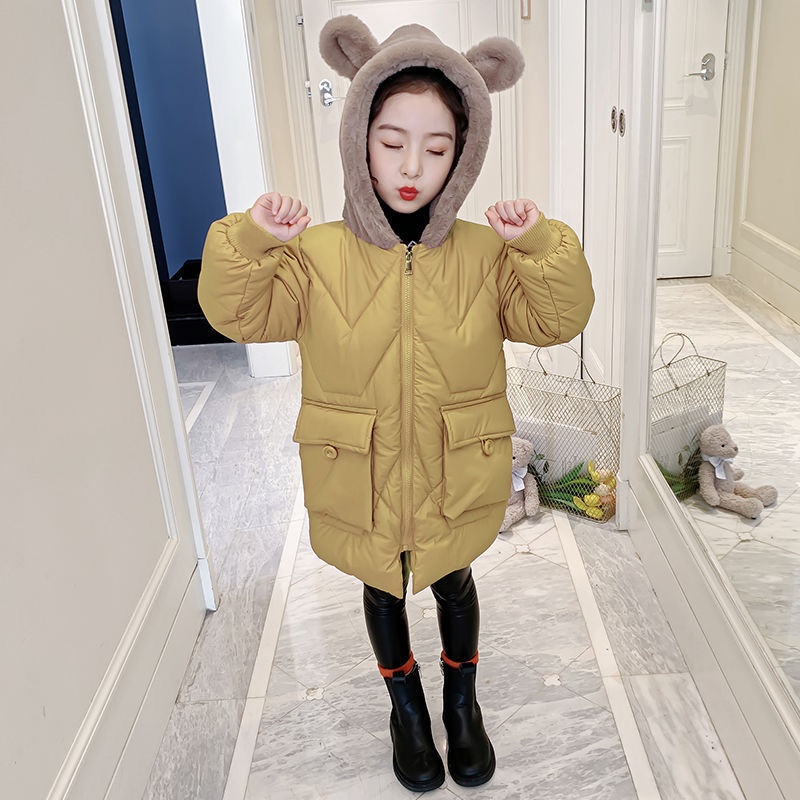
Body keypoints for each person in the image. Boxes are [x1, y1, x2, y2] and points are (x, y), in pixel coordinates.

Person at [199, 15, 594, 793]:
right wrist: (251, 243)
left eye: (438, 148)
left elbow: (556, 320)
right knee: (381, 588)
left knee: (454, 579)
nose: (413, 167)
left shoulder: (485, 254)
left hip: (455, 467)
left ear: (464, 154)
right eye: (391, 142)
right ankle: (405, 709)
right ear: (359, 141)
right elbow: (240, 314)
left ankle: (461, 704)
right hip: (363, 474)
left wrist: (540, 248)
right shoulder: (314, 255)